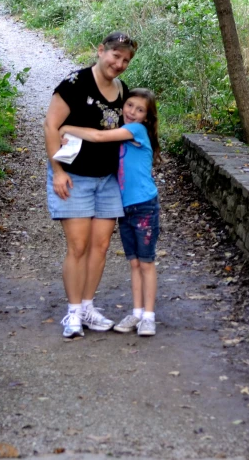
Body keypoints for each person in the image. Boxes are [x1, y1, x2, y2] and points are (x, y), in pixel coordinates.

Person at [43, 32, 138, 338]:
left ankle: (87, 307)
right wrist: (57, 171)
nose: (119, 64)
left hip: (107, 179)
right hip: (74, 176)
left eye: (125, 60)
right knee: (79, 246)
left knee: (100, 246)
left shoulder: (122, 90)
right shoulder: (75, 84)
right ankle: (72, 313)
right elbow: (50, 126)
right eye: (115, 56)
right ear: (101, 51)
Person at [60, 88, 161, 336]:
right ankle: (137, 314)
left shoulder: (137, 130)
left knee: (146, 262)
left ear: (147, 117)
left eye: (140, 110)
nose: (132, 112)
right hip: (124, 207)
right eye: (129, 106)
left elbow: (96, 136)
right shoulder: (123, 134)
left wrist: (65, 128)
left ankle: (149, 316)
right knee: (134, 262)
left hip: (144, 205)